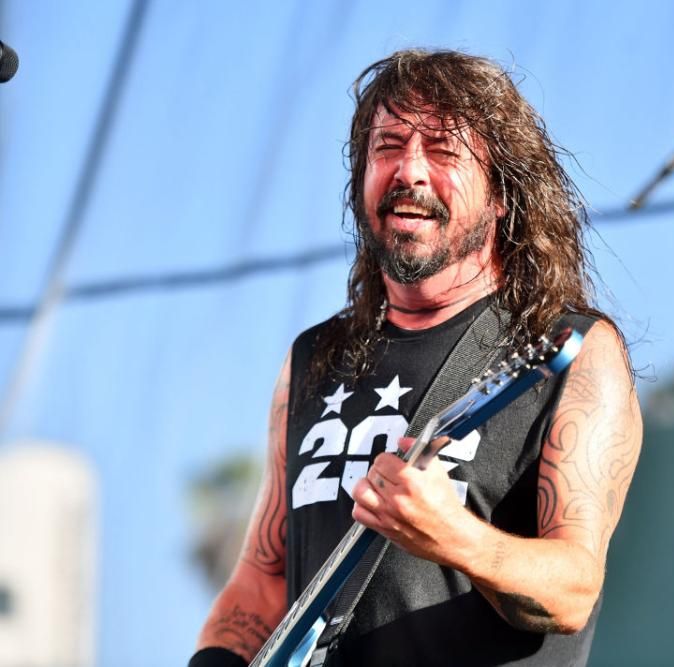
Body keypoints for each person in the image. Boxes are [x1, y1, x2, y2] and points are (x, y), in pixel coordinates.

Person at [190, 49, 643, 667]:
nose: (409, 170)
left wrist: (454, 537)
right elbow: (263, 576)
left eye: (442, 149)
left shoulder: (570, 350)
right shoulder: (314, 358)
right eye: (388, 146)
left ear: (502, 193)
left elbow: (573, 589)